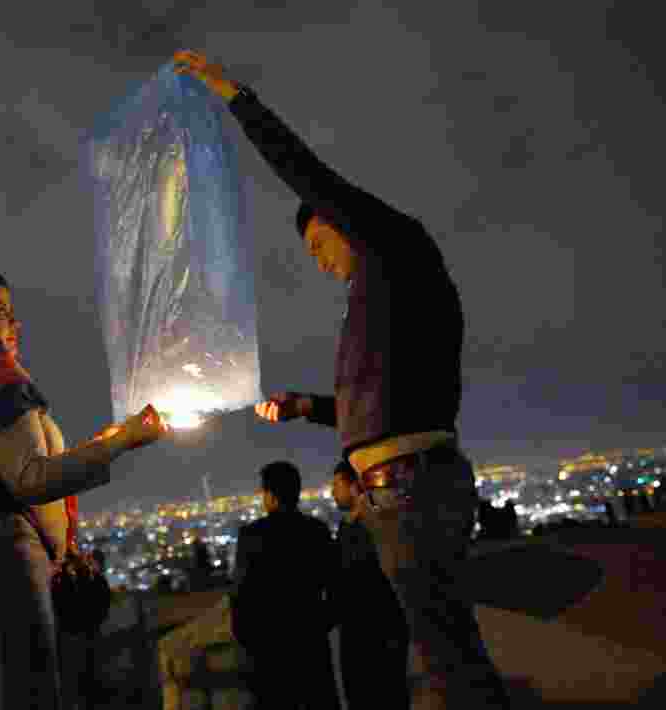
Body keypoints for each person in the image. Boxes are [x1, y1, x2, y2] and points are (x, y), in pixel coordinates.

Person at [174, 50, 510, 709]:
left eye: (318, 246)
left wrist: (231, 95)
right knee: (440, 651)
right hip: (398, 488)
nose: (320, 264)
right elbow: (384, 407)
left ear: (336, 224)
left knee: (448, 658)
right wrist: (305, 406)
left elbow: (306, 170)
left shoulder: (395, 252)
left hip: (410, 489)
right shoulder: (378, 299)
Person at [0, 270, 168, 709]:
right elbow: (30, 478)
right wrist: (122, 443)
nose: (14, 323)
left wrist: (105, 441)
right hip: (12, 567)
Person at [230, 461, 340, 710]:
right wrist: (320, 623)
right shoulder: (316, 531)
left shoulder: (252, 535)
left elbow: (241, 594)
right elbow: (335, 586)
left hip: (269, 648)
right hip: (311, 643)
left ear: (269, 495)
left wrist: (249, 638)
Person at [330, 460, 410, 710]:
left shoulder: (371, 524)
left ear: (354, 487)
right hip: (364, 629)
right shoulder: (351, 526)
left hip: (375, 628)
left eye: (336, 485)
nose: (333, 492)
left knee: (380, 694)